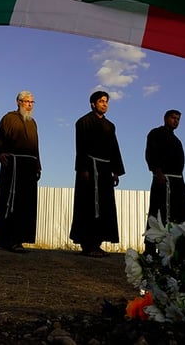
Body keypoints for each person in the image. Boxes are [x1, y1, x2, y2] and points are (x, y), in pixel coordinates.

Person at [69, 91, 125, 258]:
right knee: (88, 205)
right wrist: (83, 168)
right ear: (93, 104)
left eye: (106, 101)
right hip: (89, 168)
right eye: (101, 101)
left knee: (105, 206)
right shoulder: (83, 122)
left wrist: (116, 171)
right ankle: (88, 244)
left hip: (105, 170)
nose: (104, 104)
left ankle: (98, 243)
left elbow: (114, 148)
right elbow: (81, 147)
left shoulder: (110, 126)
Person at [0, 90, 41, 253]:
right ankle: (6, 238)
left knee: (26, 203)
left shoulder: (33, 123)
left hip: (28, 167)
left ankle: (20, 238)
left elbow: (35, 146)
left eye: (31, 102)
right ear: (18, 102)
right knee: (10, 201)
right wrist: (0, 154)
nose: (29, 105)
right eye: (26, 101)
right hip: (13, 166)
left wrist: (38, 164)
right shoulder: (9, 118)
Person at [143, 109, 185, 254]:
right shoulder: (155, 133)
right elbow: (151, 152)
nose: (175, 121)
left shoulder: (177, 140)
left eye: (178, 119)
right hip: (162, 179)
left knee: (181, 214)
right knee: (157, 213)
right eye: (173, 118)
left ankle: (179, 249)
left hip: (178, 181)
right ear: (165, 118)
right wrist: (157, 172)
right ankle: (150, 249)